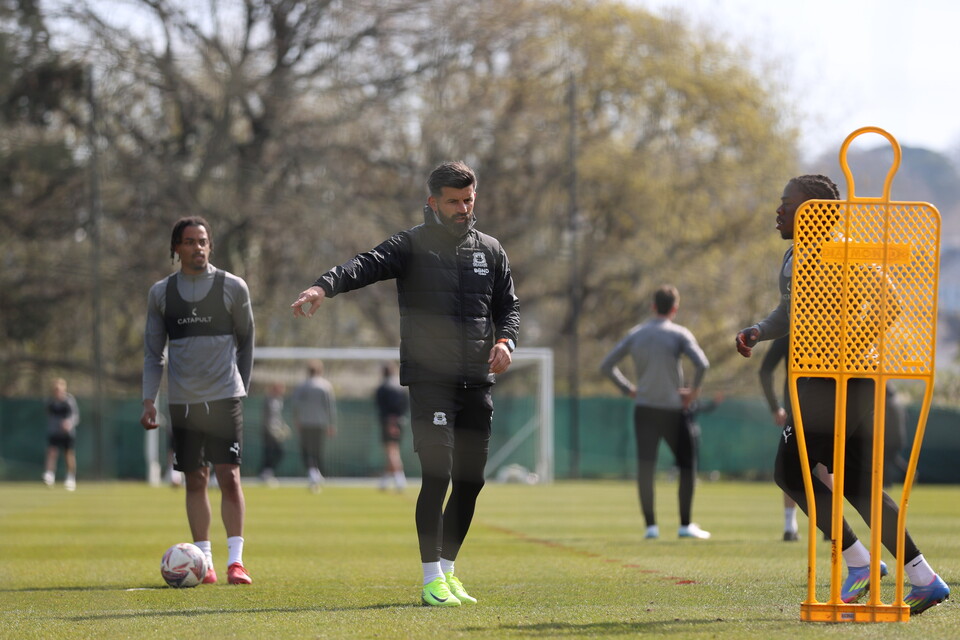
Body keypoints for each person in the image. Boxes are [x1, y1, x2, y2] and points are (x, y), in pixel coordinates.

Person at [290, 160, 519, 607]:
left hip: (477, 381)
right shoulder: (410, 245)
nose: (463, 208)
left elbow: (508, 307)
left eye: (468, 200)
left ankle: (448, 572)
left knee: (470, 481)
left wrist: (506, 341)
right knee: (438, 474)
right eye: (453, 202)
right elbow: (364, 264)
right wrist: (322, 287)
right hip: (431, 381)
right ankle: (431, 579)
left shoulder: (491, 250)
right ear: (433, 202)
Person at [735, 174, 949, 614]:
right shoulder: (794, 255)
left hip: (839, 381)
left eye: (788, 203)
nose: (779, 210)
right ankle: (924, 578)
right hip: (829, 380)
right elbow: (789, 312)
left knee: (791, 473)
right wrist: (758, 330)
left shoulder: (844, 250)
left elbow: (891, 304)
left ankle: (860, 563)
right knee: (856, 484)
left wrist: (847, 349)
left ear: (815, 211)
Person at [141, 216, 255, 586]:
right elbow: (153, 354)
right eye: (189, 242)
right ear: (176, 248)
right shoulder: (161, 293)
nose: (198, 248)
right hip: (183, 403)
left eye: (203, 241)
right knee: (195, 479)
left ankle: (236, 562)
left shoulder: (232, 287)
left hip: (224, 397)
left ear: (210, 245)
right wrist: (148, 400)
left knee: (230, 477)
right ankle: (204, 561)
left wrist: (241, 388)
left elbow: (247, 341)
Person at [600, 285, 711, 540]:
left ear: (653, 306)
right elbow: (702, 364)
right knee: (687, 464)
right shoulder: (679, 334)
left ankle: (651, 527)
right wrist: (693, 391)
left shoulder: (636, 333)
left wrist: (628, 389)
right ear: (675, 309)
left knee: (646, 468)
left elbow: (607, 365)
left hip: (645, 409)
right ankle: (685, 525)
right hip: (673, 409)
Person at [758, 335, 833, 541]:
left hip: (798, 404)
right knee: (823, 465)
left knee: (791, 464)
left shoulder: (789, 331)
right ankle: (829, 524)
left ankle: (790, 526)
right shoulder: (830, 330)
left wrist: (775, 407)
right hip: (825, 405)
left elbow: (765, 370)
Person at [290, 361, 337, 492]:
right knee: (317, 449)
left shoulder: (302, 386)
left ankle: (313, 472)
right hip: (320, 423)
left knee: (306, 449)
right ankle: (315, 472)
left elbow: (295, 405)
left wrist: (296, 419)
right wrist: (331, 424)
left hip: (305, 423)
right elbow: (330, 407)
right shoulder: (326, 386)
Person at [375, 362, 409, 492]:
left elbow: (382, 408)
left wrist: (391, 423)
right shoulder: (401, 388)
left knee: (391, 451)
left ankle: (400, 479)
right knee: (393, 450)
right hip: (400, 422)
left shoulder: (383, 388)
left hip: (388, 422)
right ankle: (385, 480)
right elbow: (405, 406)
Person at [43, 378, 79, 491]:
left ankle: (71, 477)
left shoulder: (69, 401)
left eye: (59, 389)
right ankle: (49, 474)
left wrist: (69, 423)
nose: (57, 392)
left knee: (68, 454)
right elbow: (49, 415)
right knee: (52, 452)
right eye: (55, 390)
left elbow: (75, 416)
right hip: (54, 432)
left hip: (67, 433)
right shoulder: (51, 402)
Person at [259, 382, 290, 487]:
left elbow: (278, 417)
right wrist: (271, 430)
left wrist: (283, 427)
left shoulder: (279, 400)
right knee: (270, 452)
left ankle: (267, 472)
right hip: (268, 431)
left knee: (279, 452)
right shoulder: (268, 399)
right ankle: (265, 473)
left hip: (276, 431)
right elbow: (266, 417)